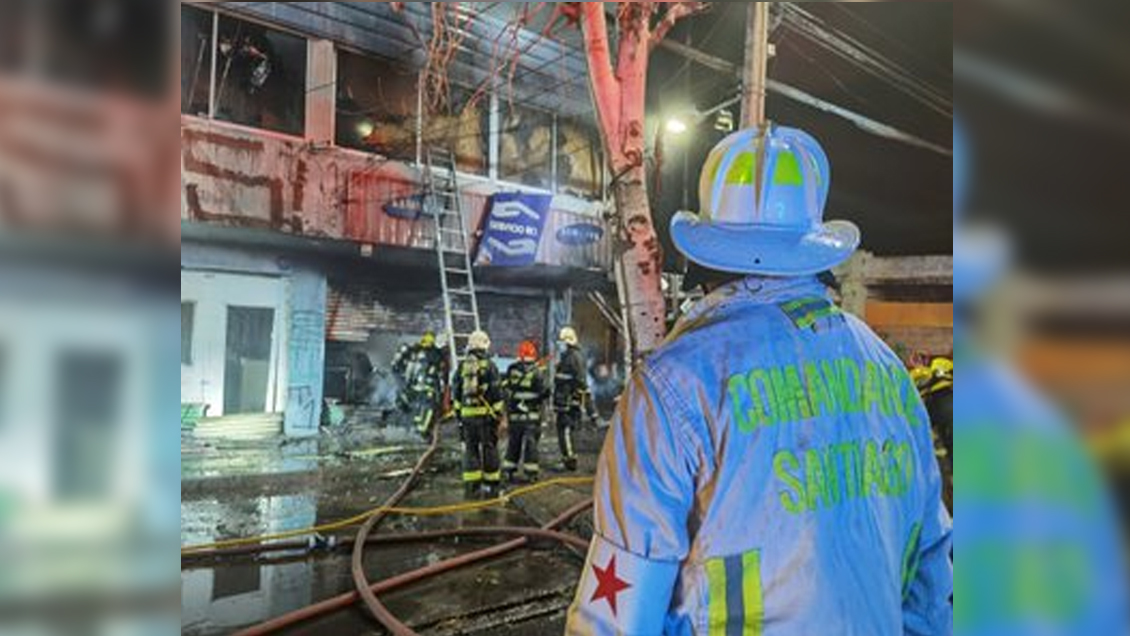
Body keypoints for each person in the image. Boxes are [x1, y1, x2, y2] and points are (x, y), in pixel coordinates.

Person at [565, 125, 951, 634]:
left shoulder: (671, 385)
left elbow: (615, 617)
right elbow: (931, 577)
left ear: (705, 251)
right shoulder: (888, 373)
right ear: (813, 249)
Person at [451, 330, 504, 499]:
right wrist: (497, 415)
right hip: (486, 418)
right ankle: (491, 485)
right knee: (489, 448)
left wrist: (459, 415)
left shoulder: (462, 366)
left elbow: (456, 393)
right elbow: (497, 393)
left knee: (471, 450)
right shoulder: (490, 366)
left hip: (467, 418)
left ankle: (472, 486)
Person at [502, 340, 549, 483]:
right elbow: (545, 392)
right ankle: (531, 473)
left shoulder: (511, 369)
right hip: (531, 416)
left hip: (515, 416)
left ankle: (509, 471)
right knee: (531, 445)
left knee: (513, 443)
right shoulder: (537, 373)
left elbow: (505, 388)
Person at [553, 326, 596, 471]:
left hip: (569, 402)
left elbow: (580, 382)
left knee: (565, 431)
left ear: (568, 342)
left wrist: (591, 411)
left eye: (562, 342)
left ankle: (569, 462)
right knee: (565, 431)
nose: (560, 345)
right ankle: (568, 459)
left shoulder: (573, 358)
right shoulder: (568, 357)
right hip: (564, 401)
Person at [392, 331, 446, 437]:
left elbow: (396, 367)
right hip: (427, 389)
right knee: (428, 408)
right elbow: (440, 373)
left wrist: (404, 383)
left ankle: (413, 428)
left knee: (415, 407)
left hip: (414, 388)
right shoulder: (436, 354)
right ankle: (422, 431)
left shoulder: (415, 350)